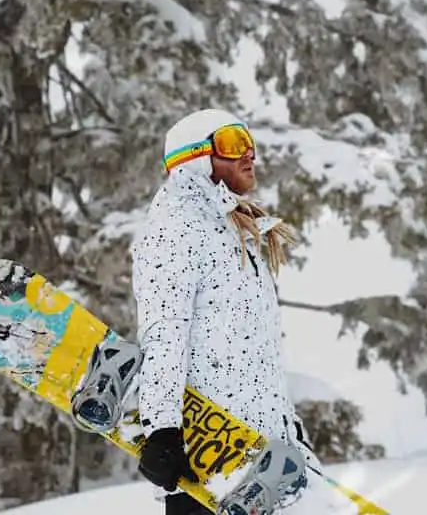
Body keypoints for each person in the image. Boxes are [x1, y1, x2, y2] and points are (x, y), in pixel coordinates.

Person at [130, 108, 321, 515]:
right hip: (207, 466)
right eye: (233, 144)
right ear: (194, 157)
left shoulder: (233, 229)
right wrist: (161, 430)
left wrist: (288, 428)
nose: (248, 154)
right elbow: (165, 331)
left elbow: (254, 350)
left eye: (249, 143)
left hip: (259, 464)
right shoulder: (176, 226)